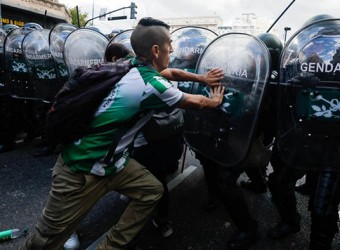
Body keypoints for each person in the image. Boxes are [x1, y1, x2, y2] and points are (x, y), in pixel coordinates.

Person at [20, 17, 225, 250]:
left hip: (113, 164)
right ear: (156, 50)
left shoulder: (132, 63)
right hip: (81, 169)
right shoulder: (152, 85)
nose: (173, 48)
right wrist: (214, 100)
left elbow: (172, 72)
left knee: (152, 191)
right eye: (170, 43)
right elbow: (196, 102)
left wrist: (202, 78)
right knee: (46, 240)